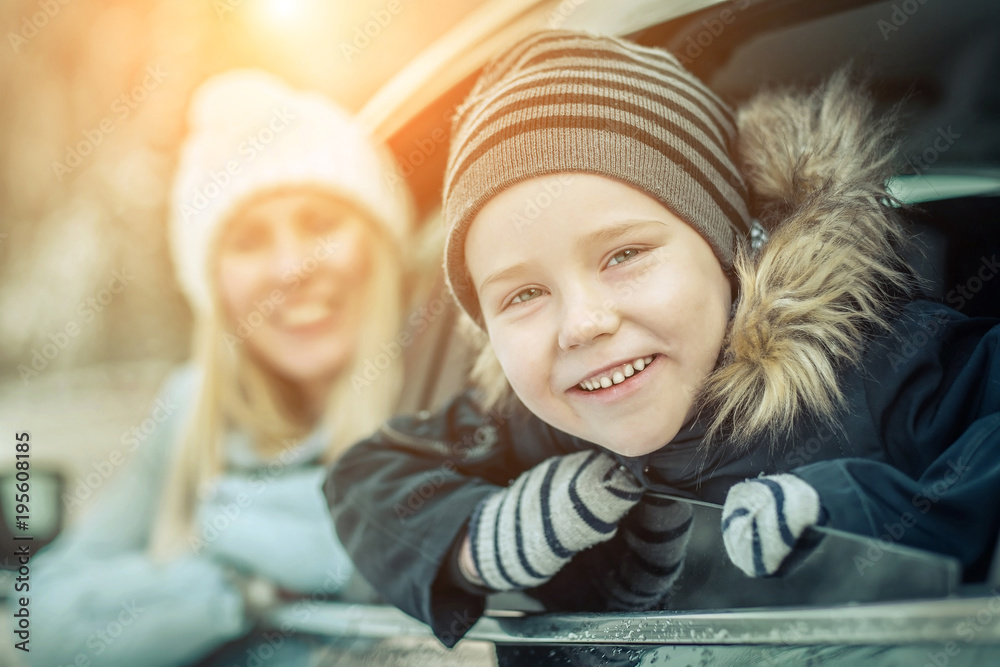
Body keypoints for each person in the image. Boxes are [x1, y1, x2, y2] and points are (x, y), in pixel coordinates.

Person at [326, 29, 1000, 650]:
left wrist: (855, 508)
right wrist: (484, 539)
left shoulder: (880, 365)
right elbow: (363, 478)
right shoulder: (527, 431)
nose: (583, 323)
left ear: (727, 245)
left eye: (624, 255)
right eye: (523, 294)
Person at [28, 69, 413, 666]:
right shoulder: (190, 411)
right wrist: (235, 589)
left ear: (379, 245)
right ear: (212, 285)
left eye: (320, 223)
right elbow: (44, 621)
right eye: (249, 240)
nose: (290, 268)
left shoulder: (454, 395)